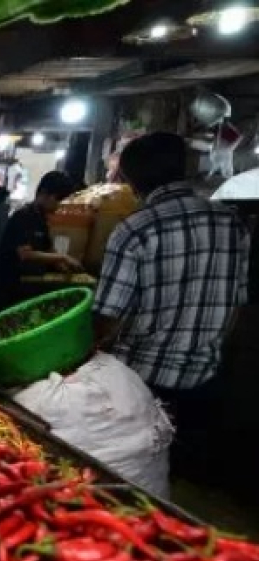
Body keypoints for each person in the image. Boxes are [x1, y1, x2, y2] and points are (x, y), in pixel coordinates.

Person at [94, 132, 250, 479]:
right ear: (186, 167)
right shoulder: (232, 223)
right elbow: (237, 305)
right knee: (183, 478)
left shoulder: (135, 229)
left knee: (136, 475)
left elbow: (108, 317)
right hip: (207, 377)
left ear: (131, 180)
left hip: (145, 380)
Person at [0, 171, 82, 317]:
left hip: (26, 287)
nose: (59, 206)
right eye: (58, 199)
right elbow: (25, 253)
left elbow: (48, 248)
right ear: (44, 193)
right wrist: (62, 258)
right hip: (6, 289)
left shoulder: (41, 218)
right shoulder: (24, 216)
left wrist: (62, 267)